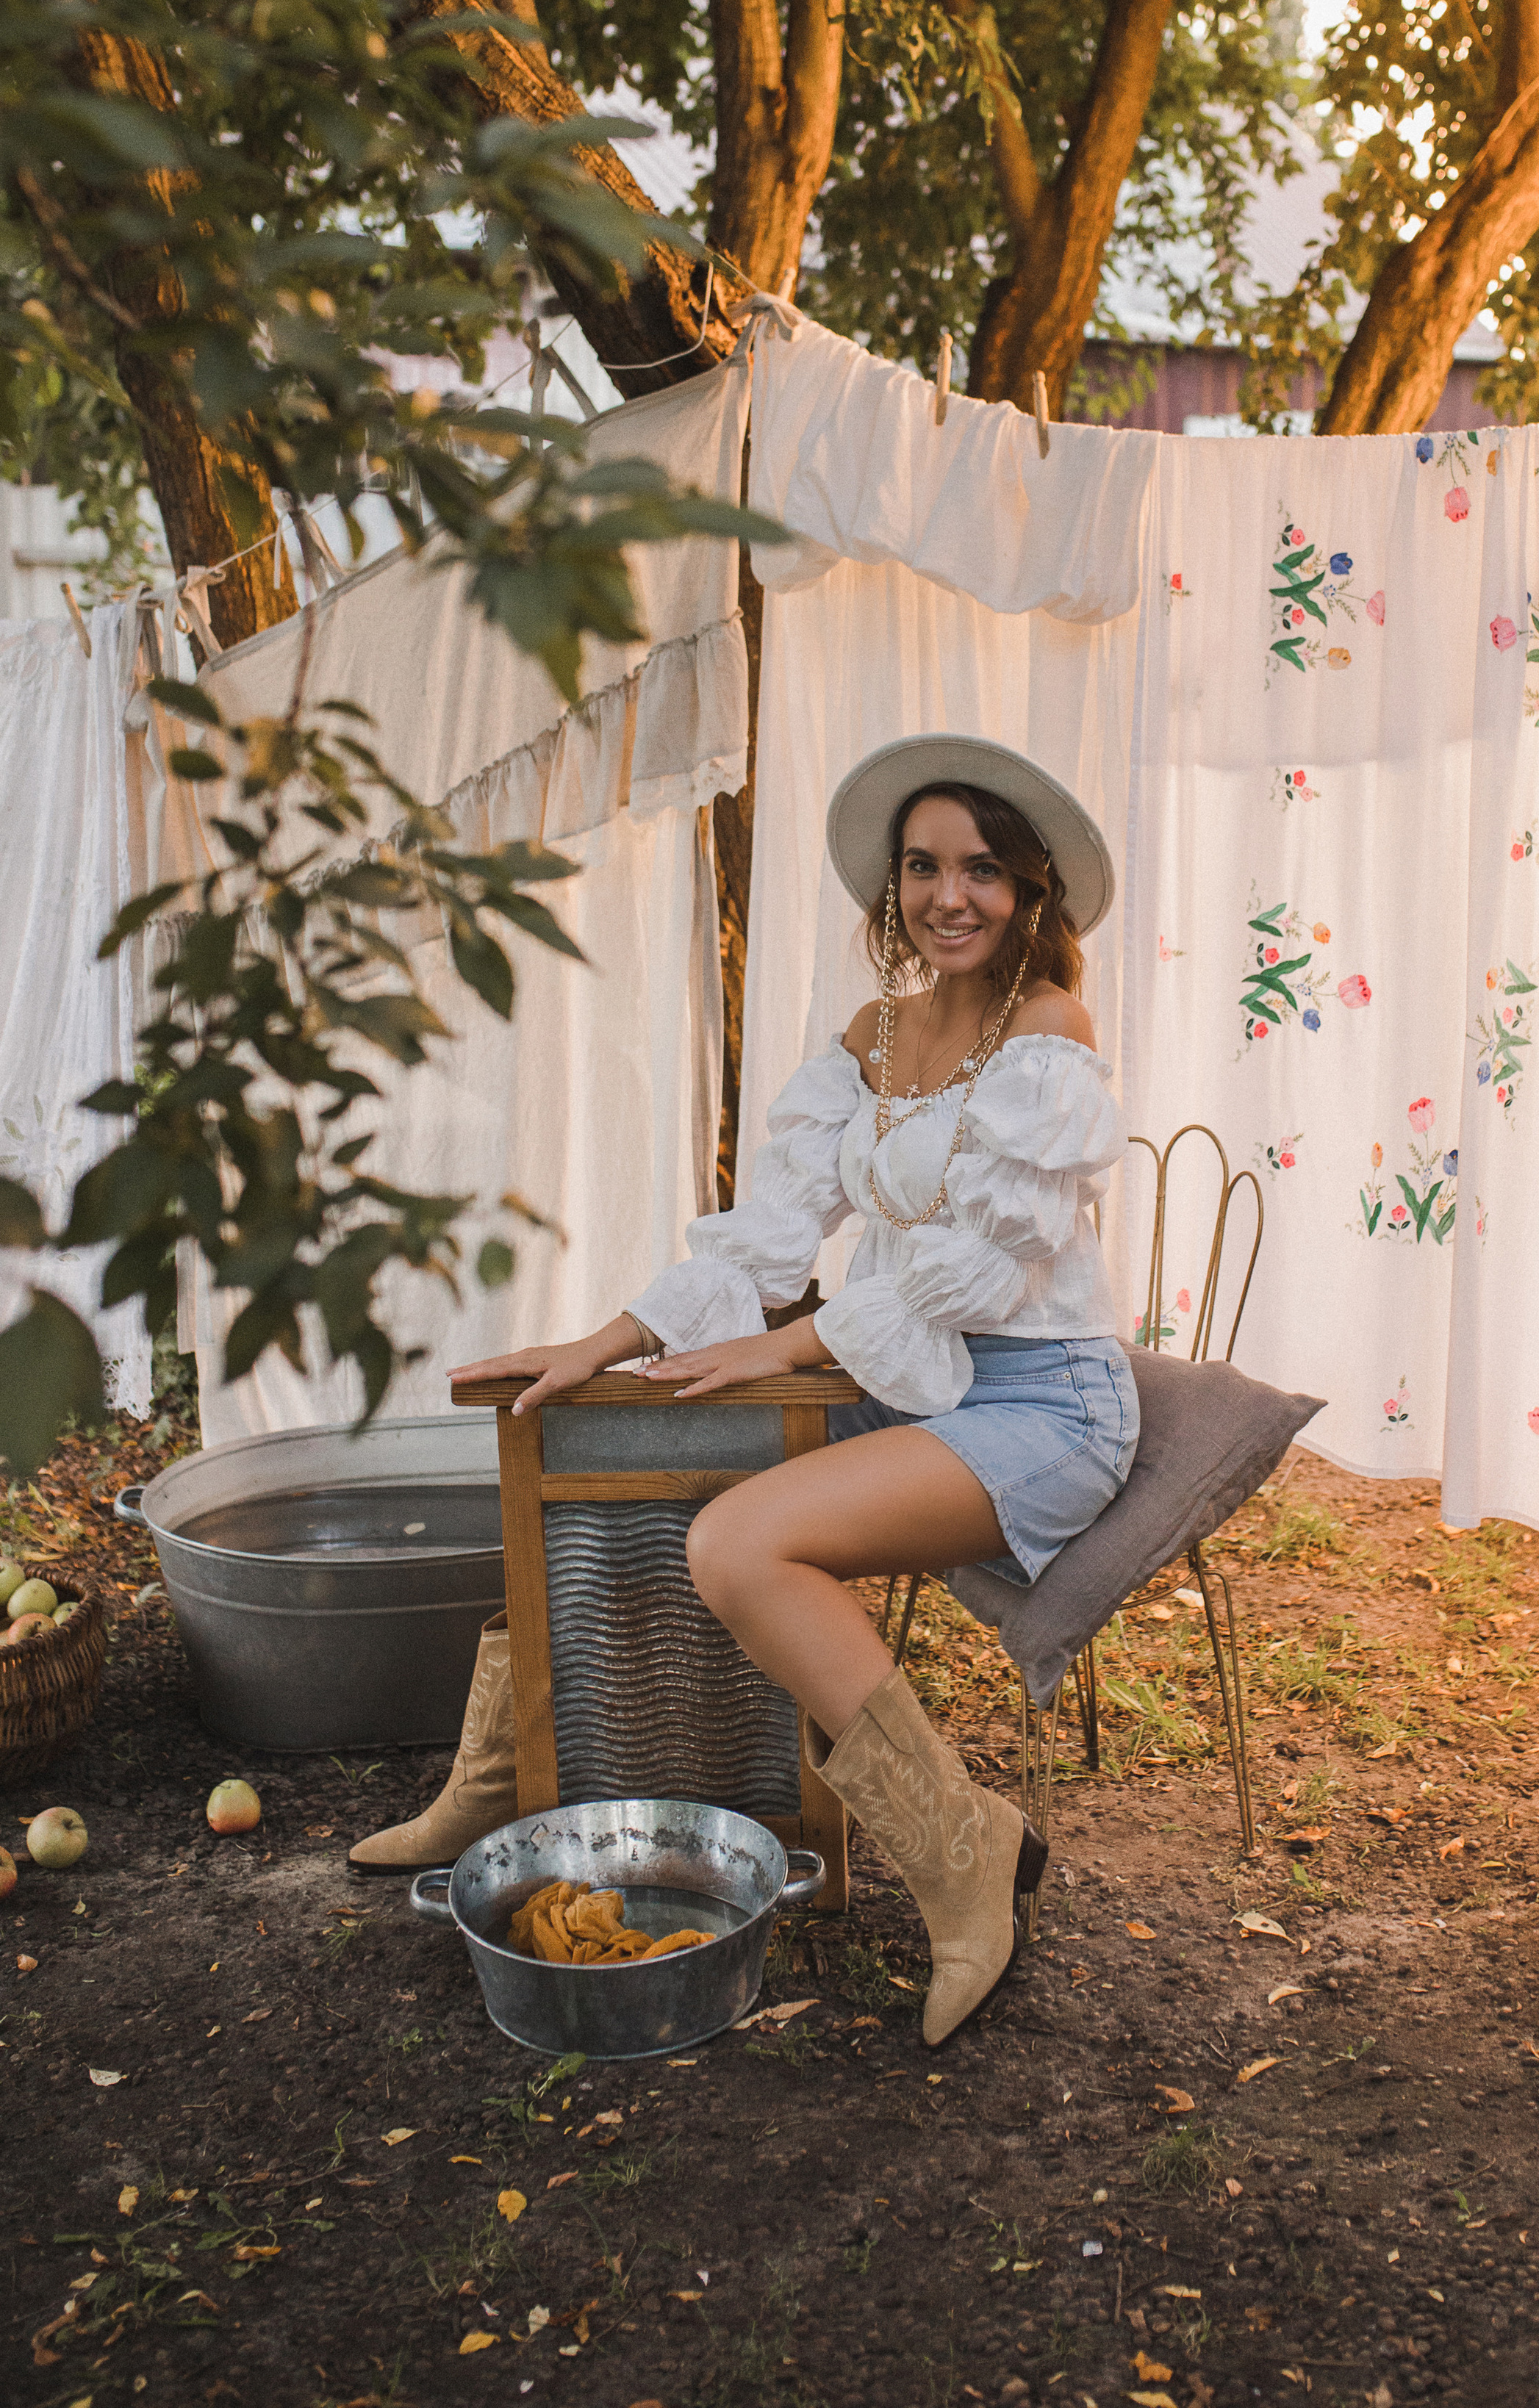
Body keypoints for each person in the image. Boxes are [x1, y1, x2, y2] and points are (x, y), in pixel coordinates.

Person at [353, 733, 1138, 2048]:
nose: (951, 896)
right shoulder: (871, 1036)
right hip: (899, 1371)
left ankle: (968, 1866)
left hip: (1038, 1399)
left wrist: (788, 1348)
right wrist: (595, 1348)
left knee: (735, 1540)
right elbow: (768, 1235)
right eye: (925, 867)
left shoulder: (1049, 1035)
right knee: (597, 1447)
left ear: (1033, 893)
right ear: (892, 888)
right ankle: (503, 1777)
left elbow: (977, 1273)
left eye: (984, 871)